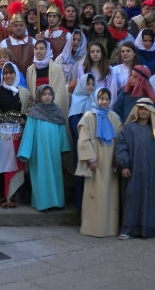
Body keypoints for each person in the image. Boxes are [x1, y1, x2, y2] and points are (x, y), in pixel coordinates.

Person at [116, 98, 155, 239]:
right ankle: (127, 229)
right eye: (140, 108)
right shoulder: (128, 128)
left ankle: (147, 229)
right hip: (132, 172)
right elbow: (122, 147)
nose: (143, 111)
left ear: (152, 111)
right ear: (136, 110)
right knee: (130, 197)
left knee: (149, 199)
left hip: (150, 174)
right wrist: (124, 165)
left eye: (146, 109)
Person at [0, 63, 31, 208]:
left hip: (17, 133)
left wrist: (25, 116)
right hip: (1, 134)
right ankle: (5, 196)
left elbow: (30, 110)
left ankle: (14, 196)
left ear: (16, 74)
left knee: (16, 165)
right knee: (3, 166)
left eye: (11, 73)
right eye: (5, 73)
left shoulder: (24, 93)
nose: (8, 76)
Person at [76, 87, 122, 237]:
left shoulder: (114, 117)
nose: (104, 102)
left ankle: (109, 228)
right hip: (96, 162)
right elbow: (83, 139)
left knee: (109, 195)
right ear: (96, 99)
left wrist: (118, 157)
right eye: (101, 99)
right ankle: (92, 228)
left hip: (110, 163)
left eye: (107, 99)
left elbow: (120, 139)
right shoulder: (89, 117)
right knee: (94, 195)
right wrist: (91, 158)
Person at [18, 84, 69, 212]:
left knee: (55, 174)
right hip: (39, 151)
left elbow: (62, 129)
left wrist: (64, 146)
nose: (47, 97)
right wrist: (25, 151)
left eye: (49, 94)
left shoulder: (57, 111)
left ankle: (57, 202)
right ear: (39, 96)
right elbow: (29, 132)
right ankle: (42, 203)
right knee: (41, 174)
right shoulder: (35, 112)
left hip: (54, 150)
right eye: (44, 94)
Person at [68, 73, 95, 210]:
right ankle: (79, 207)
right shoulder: (76, 100)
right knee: (81, 174)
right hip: (81, 146)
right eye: (87, 83)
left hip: (95, 146)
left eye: (92, 84)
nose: (90, 87)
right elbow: (74, 124)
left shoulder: (96, 100)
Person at [0, 0, 37, 76]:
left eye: (21, 25)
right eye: (15, 25)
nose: (18, 28)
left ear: (25, 26)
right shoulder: (4, 43)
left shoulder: (33, 42)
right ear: (10, 27)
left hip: (30, 77)